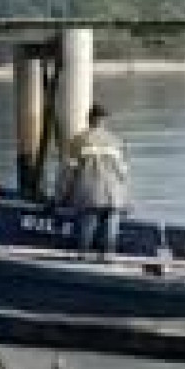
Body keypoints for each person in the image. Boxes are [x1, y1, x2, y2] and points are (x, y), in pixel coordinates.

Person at [62, 103, 131, 257]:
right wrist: (126, 201)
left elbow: (68, 173)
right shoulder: (117, 141)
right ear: (104, 121)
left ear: (89, 119)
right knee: (110, 236)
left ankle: (83, 260)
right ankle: (108, 263)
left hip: (91, 196)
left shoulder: (79, 141)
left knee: (86, 231)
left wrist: (60, 197)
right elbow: (124, 174)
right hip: (115, 197)